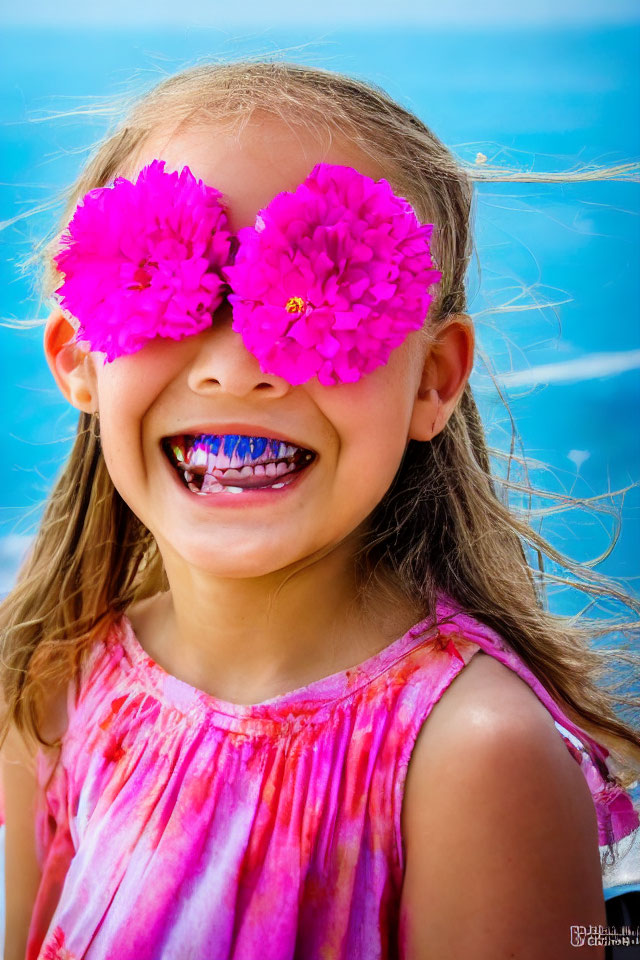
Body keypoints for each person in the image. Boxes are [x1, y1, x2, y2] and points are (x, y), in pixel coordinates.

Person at [0, 60, 638, 960]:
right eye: (162, 279)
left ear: (435, 379)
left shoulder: (477, 762)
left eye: (319, 291)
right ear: (77, 359)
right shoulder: (50, 682)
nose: (234, 365)